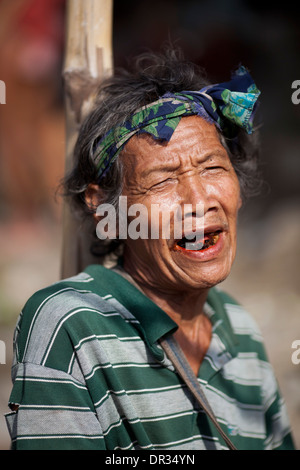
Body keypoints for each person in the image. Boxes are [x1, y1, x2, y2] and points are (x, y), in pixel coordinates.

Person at [5, 48, 295, 450]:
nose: (198, 199)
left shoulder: (238, 327)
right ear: (107, 210)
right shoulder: (71, 325)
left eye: (212, 168)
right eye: (162, 181)